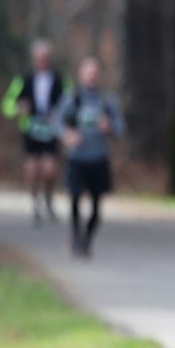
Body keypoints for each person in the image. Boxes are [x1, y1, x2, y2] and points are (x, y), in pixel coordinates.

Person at [55, 56, 125, 257]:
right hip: (77, 158)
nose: (91, 77)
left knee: (96, 206)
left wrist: (109, 127)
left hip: (98, 158)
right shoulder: (72, 98)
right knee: (75, 199)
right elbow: (57, 122)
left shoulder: (107, 101)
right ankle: (76, 238)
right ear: (81, 75)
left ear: (99, 76)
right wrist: (67, 135)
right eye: (88, 73)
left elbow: (120, 127)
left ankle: (87, 241)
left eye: (95, 73)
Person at [2, 39, 66, 224]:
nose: (43, 61)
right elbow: (6, 104)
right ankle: (34, 203)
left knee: (49, 170)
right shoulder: (24, 79)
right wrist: (18, 109)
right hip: (31, 129)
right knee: (32, 170)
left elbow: (70, 103)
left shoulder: (60, 80)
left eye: (46, 58)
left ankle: (48, 199)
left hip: (51, 130)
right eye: (39, 58)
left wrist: (59, 115)